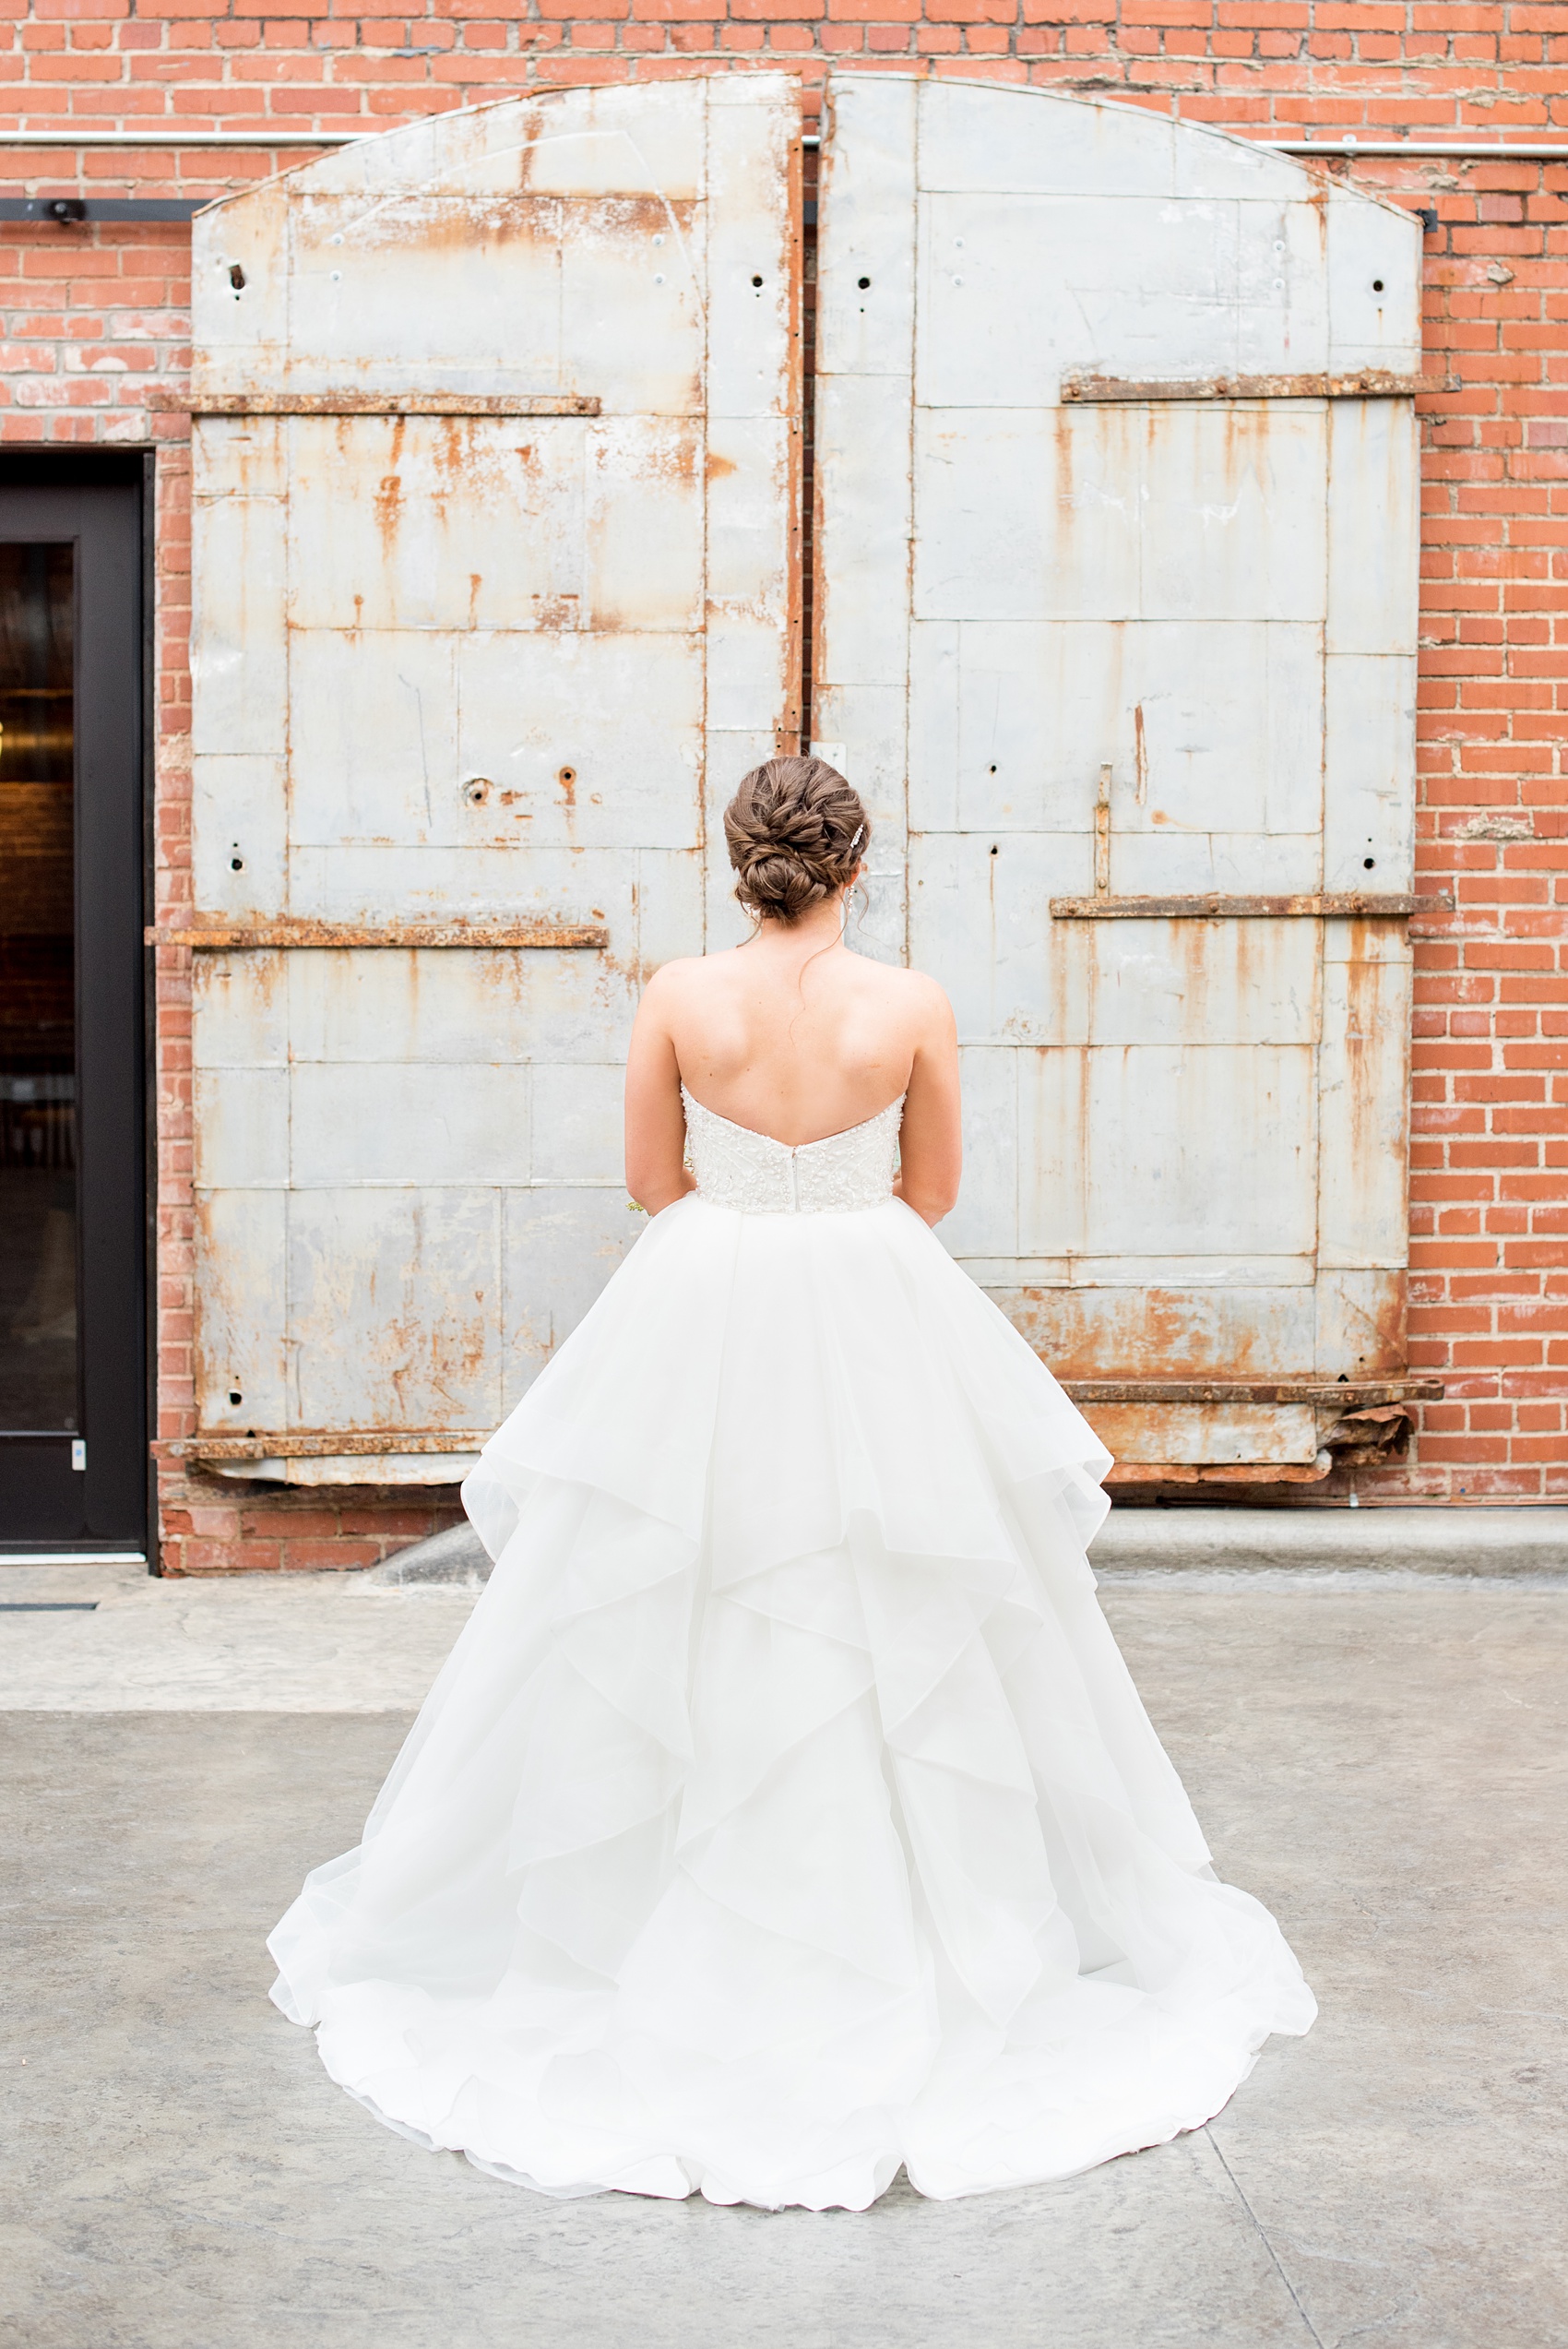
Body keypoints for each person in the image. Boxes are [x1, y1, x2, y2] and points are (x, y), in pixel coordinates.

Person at [268, 755, 1314, 2212]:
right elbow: (931, 1191)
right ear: (856, 862)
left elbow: (653, 1181)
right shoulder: (914, 1005)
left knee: (681, 1590)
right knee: (893, 1598)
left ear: (740, 858)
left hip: (704, 1300)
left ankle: (659, 1922)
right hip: (873, 1299)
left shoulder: (679, 996)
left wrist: (751, 1203)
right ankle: (913, 1933)